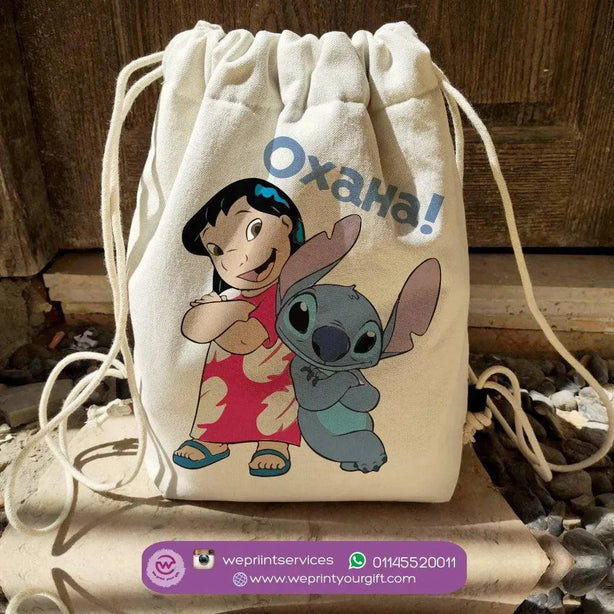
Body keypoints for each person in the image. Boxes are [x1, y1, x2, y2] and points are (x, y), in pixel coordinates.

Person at [173, 178, 305, 477]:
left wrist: (217, 314)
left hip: (271, 376)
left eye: (253, 230)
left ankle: (273, 444)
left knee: (274, 405)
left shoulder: (282, 299)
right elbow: (192, 329)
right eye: (217, 250)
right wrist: (227, 311)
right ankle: (213, 440)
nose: (234, 260)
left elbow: (243, 341)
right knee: (216, 399)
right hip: (224, 378)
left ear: (286, 225)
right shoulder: (233, 298)